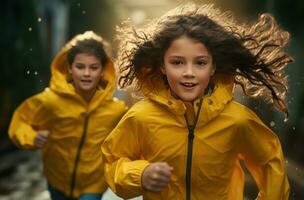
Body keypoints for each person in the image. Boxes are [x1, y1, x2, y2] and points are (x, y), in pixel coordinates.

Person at [101, 3, 293, 200]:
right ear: (162, 66)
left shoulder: (238, 120)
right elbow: (113, 161)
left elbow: (270, 164)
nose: (189, 73)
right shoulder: (141, 117)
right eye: (177, 62)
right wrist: (140, 175)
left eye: (200, 63)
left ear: (213, 67)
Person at [9, 31, 128, 200]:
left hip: (93, 185)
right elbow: (20, 120)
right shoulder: (51, 101)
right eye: (80, 67)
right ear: (70, 68)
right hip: (57, 180)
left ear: (103, 70)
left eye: (93, 67)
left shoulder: (116, 111)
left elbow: (134, 137)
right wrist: (31, 136)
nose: (87, 73)